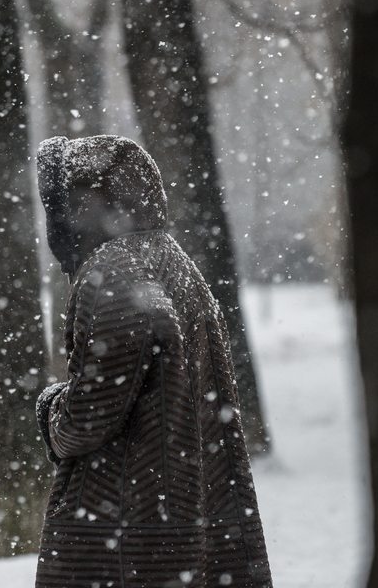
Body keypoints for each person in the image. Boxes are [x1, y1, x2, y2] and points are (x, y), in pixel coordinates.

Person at [34, 135, 273, 588]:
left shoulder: (114, 272)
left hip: (130, 525)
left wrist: (52, 415)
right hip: (186, 512)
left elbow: (89, 417)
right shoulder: (175, 261)